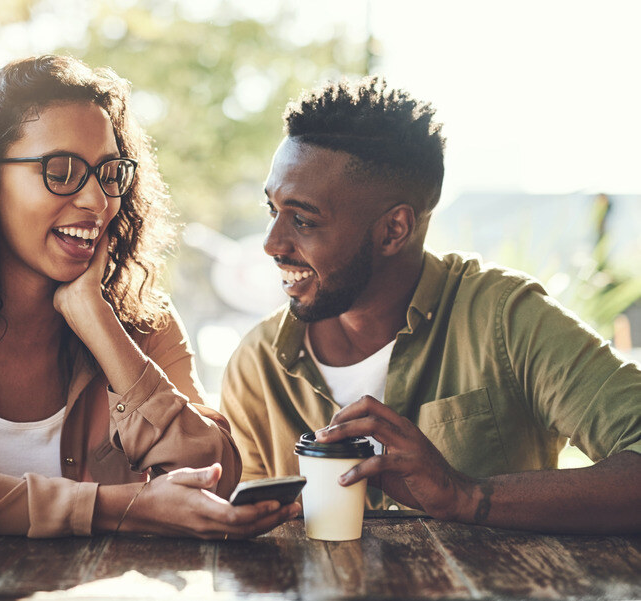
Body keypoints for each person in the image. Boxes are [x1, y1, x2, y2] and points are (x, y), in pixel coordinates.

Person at [0, 55, 299, 539]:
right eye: (61, 170)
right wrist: (126, 507)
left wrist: (99, 323)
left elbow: (216, 476)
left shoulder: (138, 313)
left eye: (109, 173)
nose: (97, 202)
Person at [221, 76, 641, 534]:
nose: (271, 244)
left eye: (302, 219)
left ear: (394, 230)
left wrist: (465, 494)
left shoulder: (506, 319)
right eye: (272, 210)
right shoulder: (258, 365)